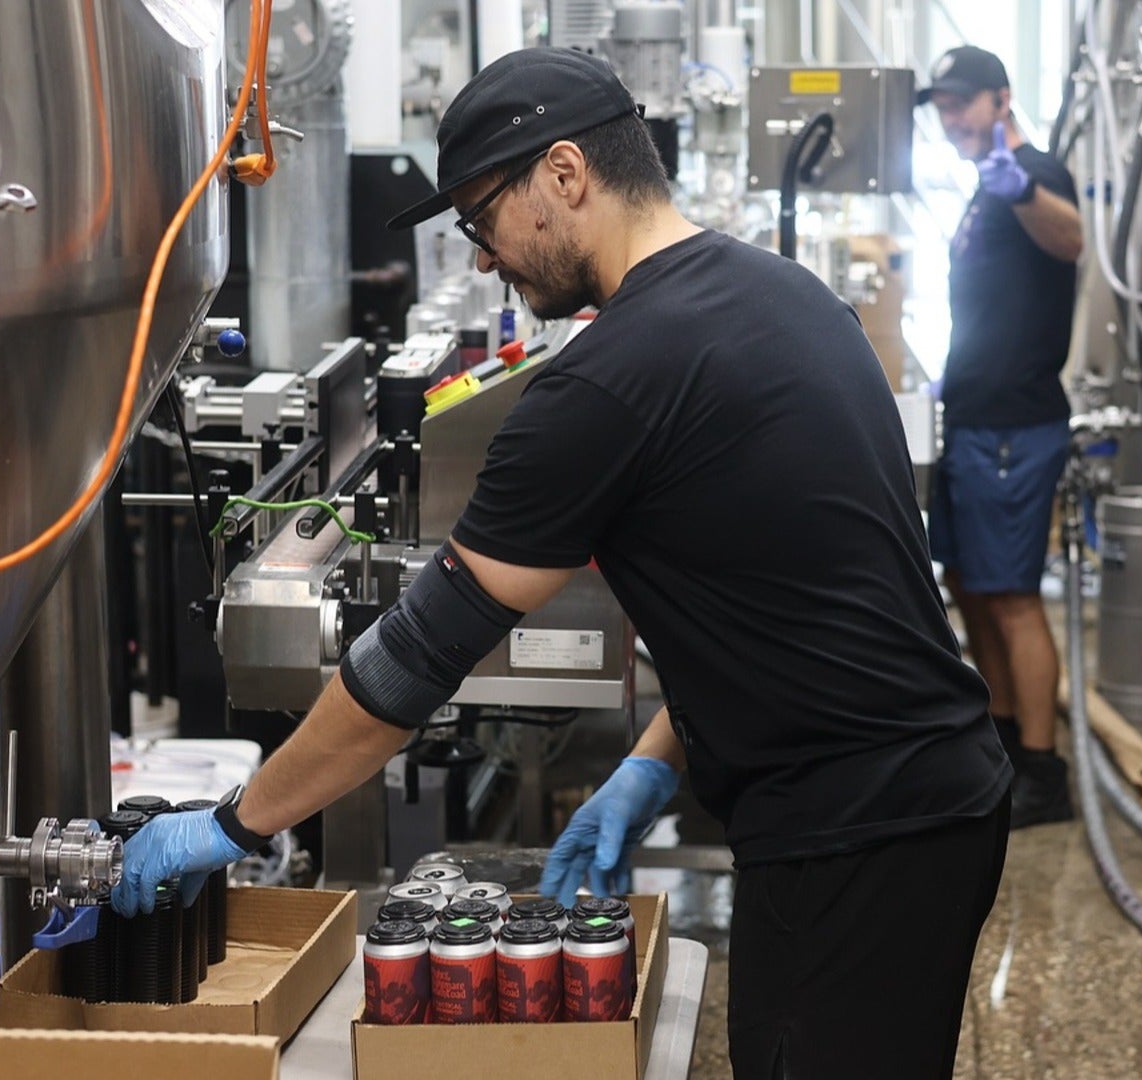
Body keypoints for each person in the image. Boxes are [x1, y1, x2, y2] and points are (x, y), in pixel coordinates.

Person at [112, 47, 1011, 1078]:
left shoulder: (605, 383)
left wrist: (232, 825)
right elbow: (786, 605)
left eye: (480, 219)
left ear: (567, 176)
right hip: (926, 802)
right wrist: (646, 763)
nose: (483, 259)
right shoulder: (785, 298)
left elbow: (415, 662)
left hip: (857, 839)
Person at [922, 46, 1084, 829]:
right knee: (971, 588)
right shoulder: (983, 191)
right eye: (943, 106)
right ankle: (1007, 745)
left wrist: (1021, 186)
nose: (953, 117)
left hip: (1018, 424)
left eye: (964, 103)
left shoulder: (1034, 173)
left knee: (1014, 597)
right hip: (976, 417)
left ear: (1001, 100)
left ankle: (1045, 775)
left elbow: (1071, 238)